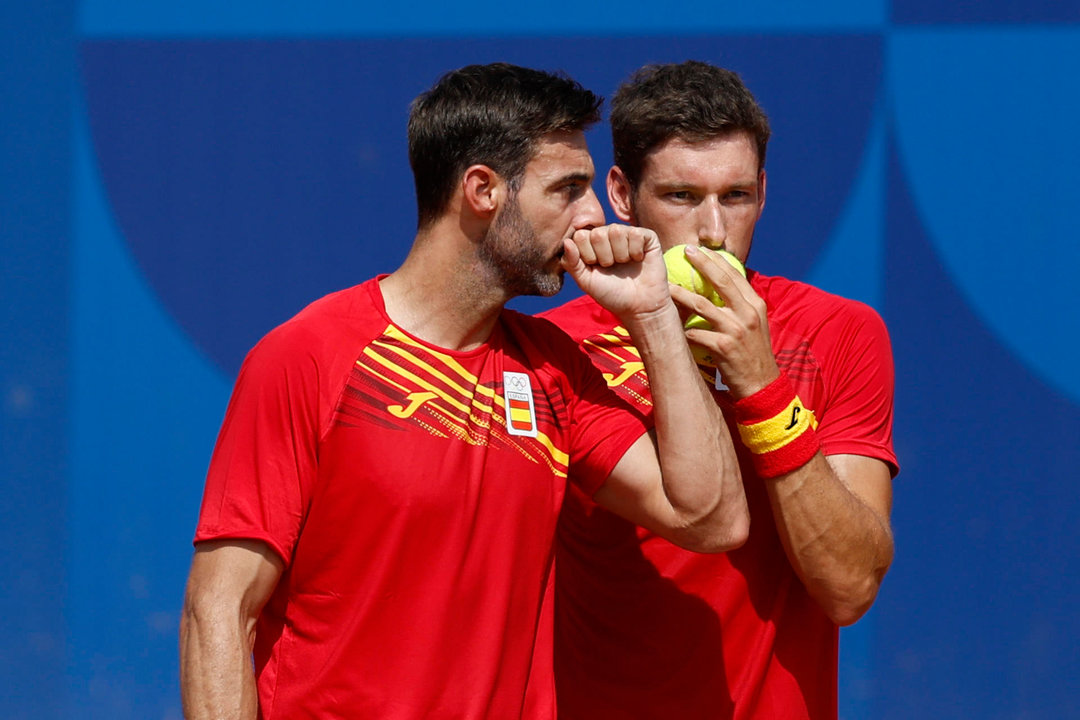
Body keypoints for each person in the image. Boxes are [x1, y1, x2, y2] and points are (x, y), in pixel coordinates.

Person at [178, 62, 749, 720]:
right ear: (483, 190)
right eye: (568, 188)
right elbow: (217, 610)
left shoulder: (556, 371)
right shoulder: (307, 357)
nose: (595, 215)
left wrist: (652, 318)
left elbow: (711, 517)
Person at [541, 60, 898, 719]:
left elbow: (849, 586)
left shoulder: (840, 332)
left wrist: (760, 385)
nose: (712, 230)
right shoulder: (553, 353)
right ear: (622, 194)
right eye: (681, 196)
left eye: (735, 196)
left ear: (763, 192)